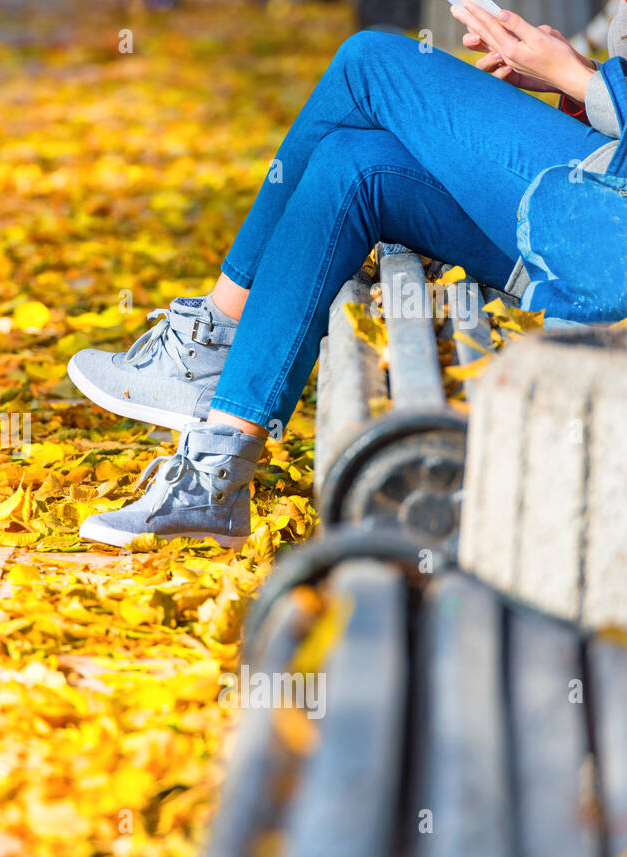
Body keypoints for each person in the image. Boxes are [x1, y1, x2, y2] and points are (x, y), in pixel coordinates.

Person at [70, 1, 627, 548]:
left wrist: (580, 81)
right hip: (594, 210)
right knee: (351, 160)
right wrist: (579, 86)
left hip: (606, 232)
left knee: (371, 60)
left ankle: (211, 337)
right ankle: (216, 474)